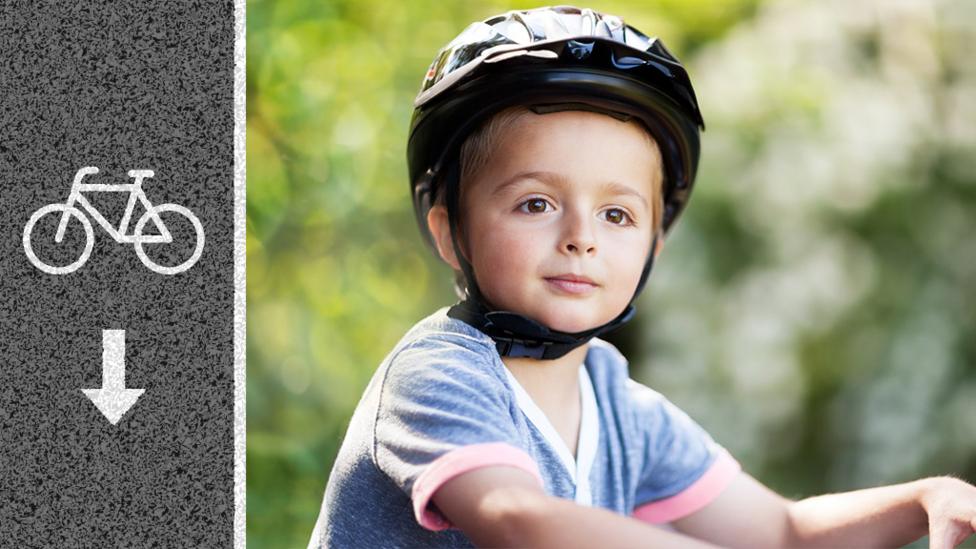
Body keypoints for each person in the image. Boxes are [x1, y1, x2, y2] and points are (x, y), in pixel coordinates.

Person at [308, 6, 976, 548]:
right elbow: (520, 520)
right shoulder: (438, 375)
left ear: (655, 241)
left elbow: (781, 530)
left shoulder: (617, 402)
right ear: (450, 230)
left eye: (617, 213)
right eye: (535, 203)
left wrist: (927, 498)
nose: (581, 236)